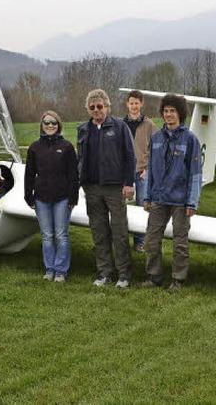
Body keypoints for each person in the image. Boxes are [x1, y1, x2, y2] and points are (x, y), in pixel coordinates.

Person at [142, 94, 202, 292]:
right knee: (151, 240)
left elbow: (195, 173)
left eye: (172, 111)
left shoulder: (190, 139)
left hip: (180, 200)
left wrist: (191, 202)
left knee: (180, 242)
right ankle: (154, 276)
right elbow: (151, 170)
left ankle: (178, 279)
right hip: (159, 198)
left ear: (180, 113)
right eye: (165, 111)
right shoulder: (157, 138)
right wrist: (147, 196)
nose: (168, 114)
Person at [77, 89, 136, 288]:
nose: (96, 110)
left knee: (119, 232)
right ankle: (104, 273)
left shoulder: (119, 127)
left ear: (107, 107)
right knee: (99, 231)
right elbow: (81, 158)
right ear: (88, 109)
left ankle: (124, 275)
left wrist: (129, 183)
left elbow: (130, 156)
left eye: (100, 106)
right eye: (92, 107)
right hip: (92, 188)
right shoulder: (83, 129)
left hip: (115, 188)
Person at [25, 110, 79, 283]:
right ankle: (50, 269)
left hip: (62, 197)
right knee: (47, 235)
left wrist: (73, 197)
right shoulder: (34, 147)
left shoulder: (67, 147)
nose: (50, 126)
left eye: (53, 123)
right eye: (47, 122)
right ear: (42, 125)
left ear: (59, 125)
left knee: (61, 234)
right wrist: (29, 196)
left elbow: (73, 175)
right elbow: (29, 174)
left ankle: (61, 270)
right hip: (41, 197)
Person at [122, 90, 158, 253]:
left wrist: (148, 168)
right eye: (131, 103)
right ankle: (120, 241)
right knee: (119, 207)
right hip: (124, 173)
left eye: (137, 103)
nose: (134, 106)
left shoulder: (149, 125)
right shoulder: (120, 124)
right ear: (127, 104)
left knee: (143, 206)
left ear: (141, 104)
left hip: (143, 172)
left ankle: (140, 242)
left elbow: (157, 149)